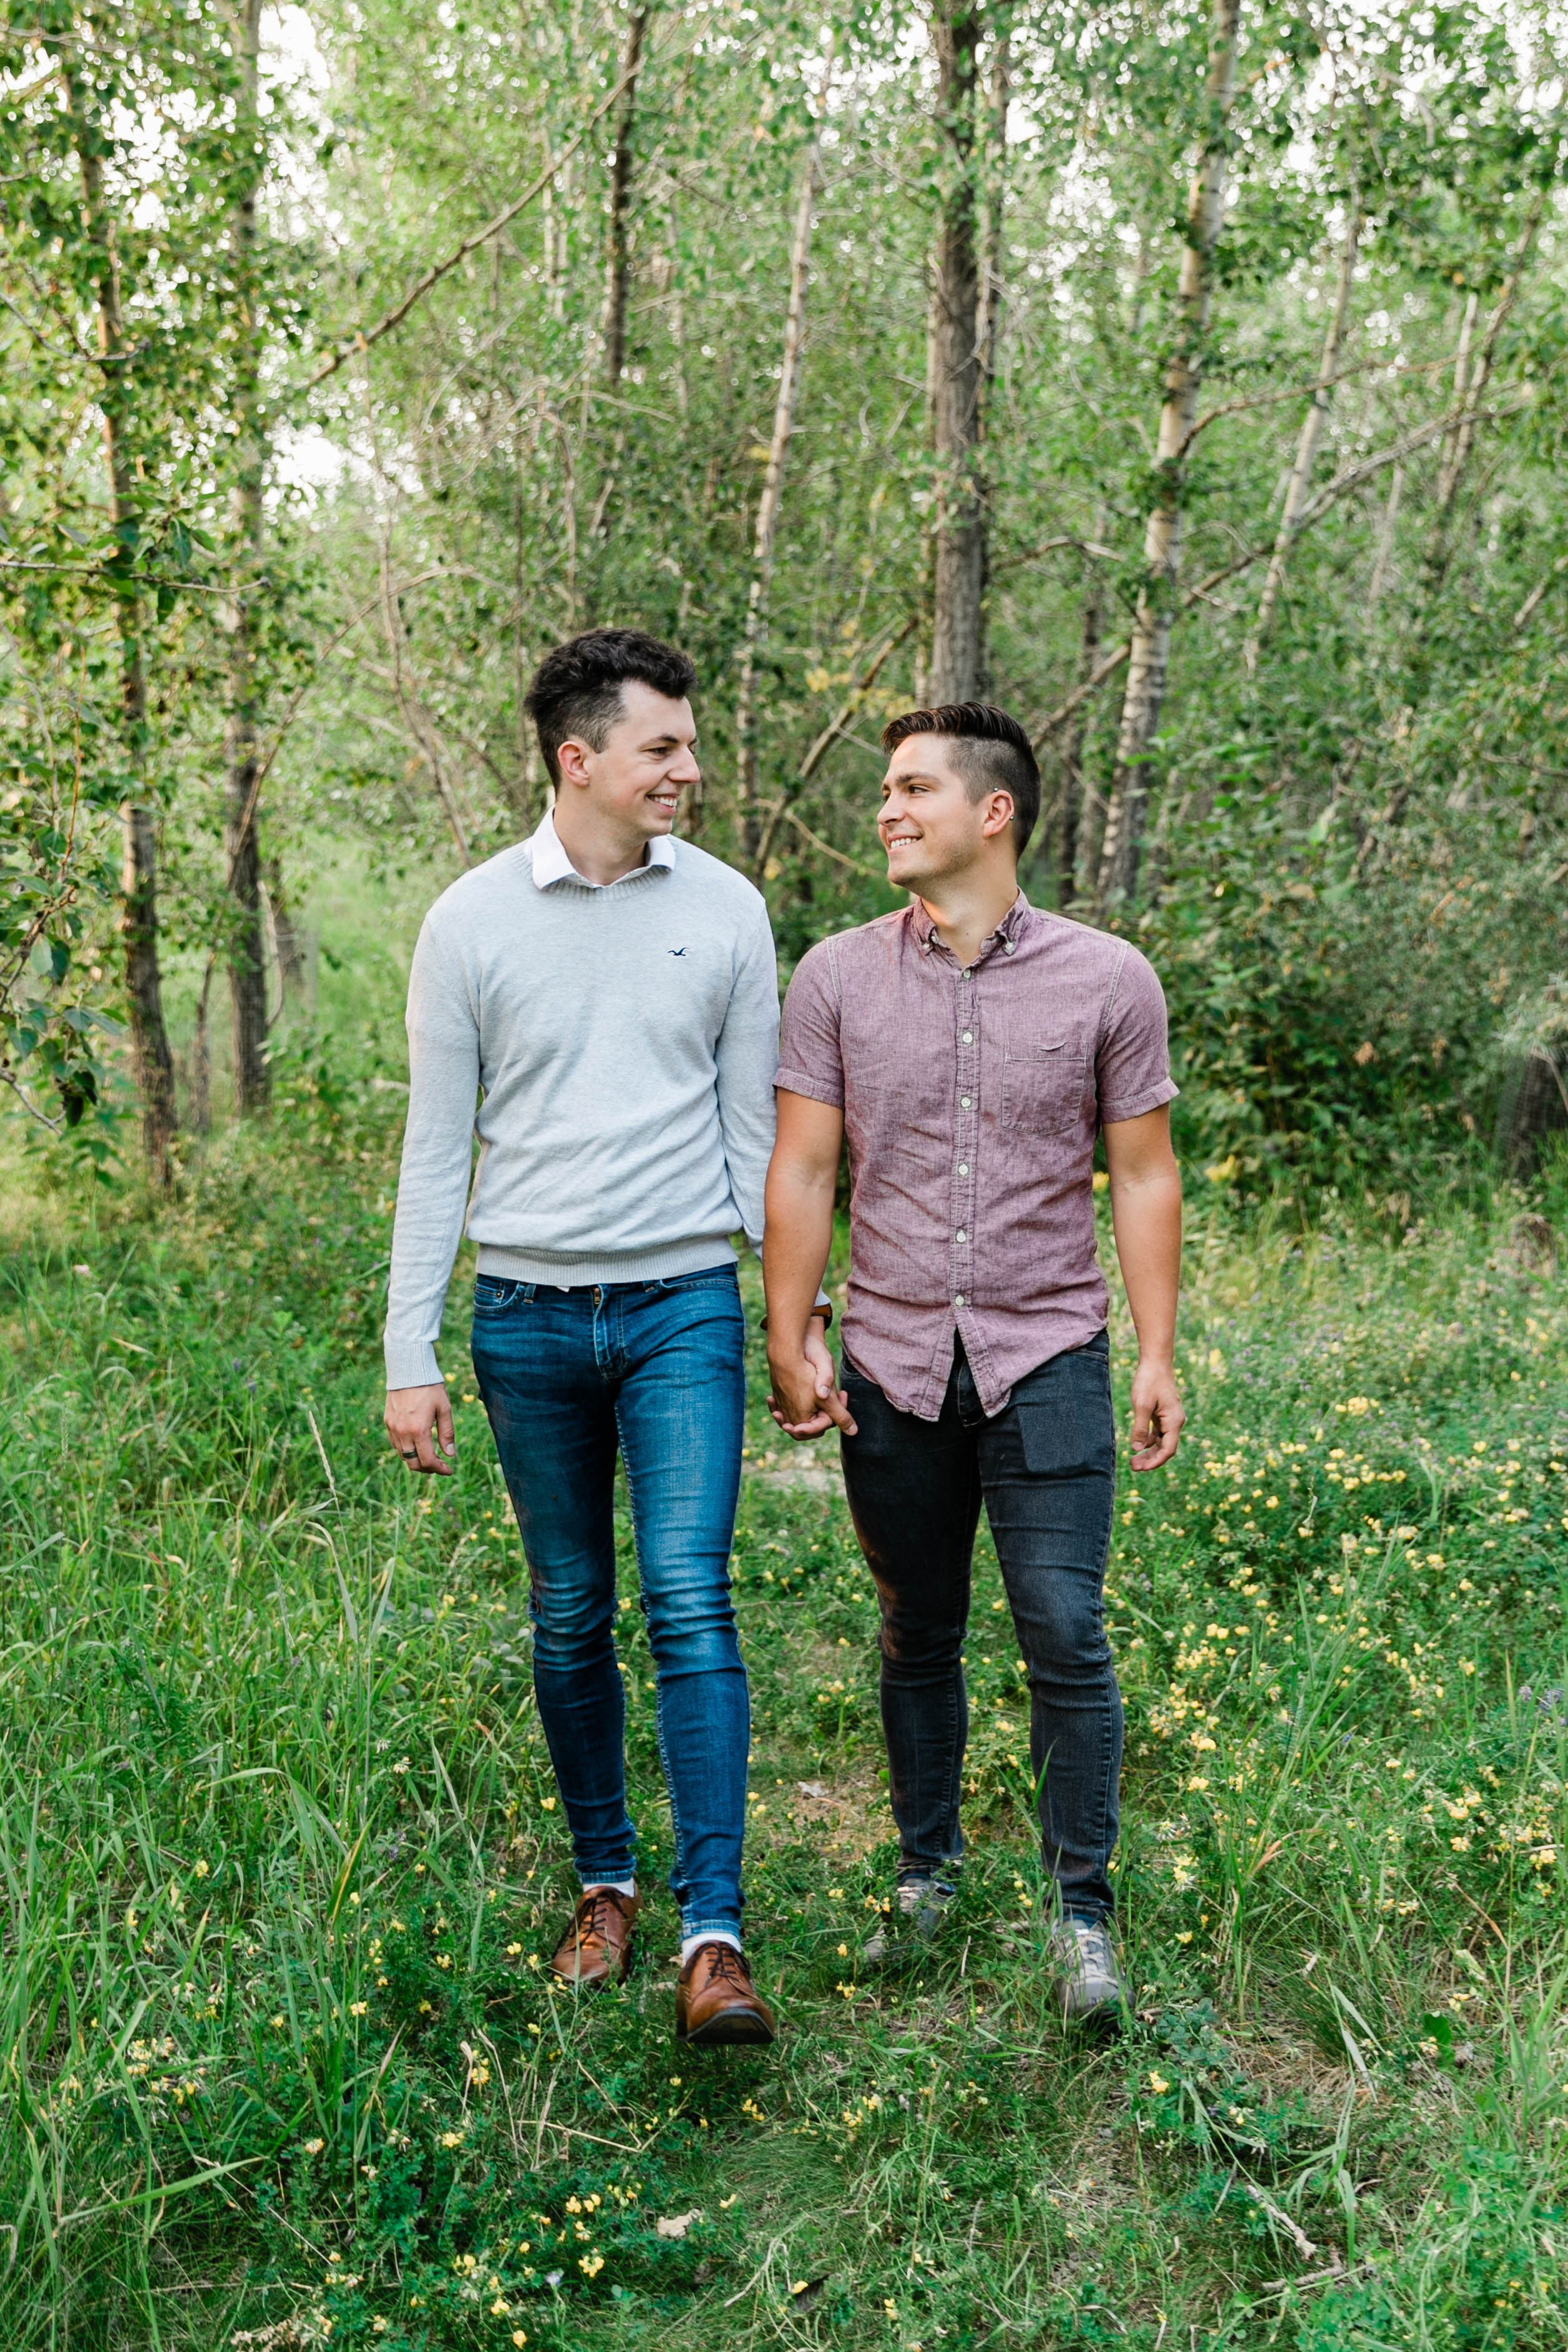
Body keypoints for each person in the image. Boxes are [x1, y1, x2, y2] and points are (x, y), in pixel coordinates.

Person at [383, 627, 824, 2046]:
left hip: (681, 1301)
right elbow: (435, 1149)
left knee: (688, 1596)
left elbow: (766, 1142)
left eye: (687, 745)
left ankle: (714, 1933)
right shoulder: (468, 924)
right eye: (664, 748)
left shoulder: (734, 911)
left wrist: (794, 1321)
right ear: (579, 761)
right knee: (570, 1611)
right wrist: (412, 1348)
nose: (690, 768)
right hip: (522, 1319)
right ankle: (606, 1883)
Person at [762, 701, 1184, 2024]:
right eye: (886, 792)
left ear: (993, 812)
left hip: (1050, 1346)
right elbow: (809, 1162)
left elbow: (1144, 1172)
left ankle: (1082, 1916)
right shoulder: (834, 974)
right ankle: (928, 1876)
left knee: (1065, 1627)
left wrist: (1160, 1349)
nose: (887, 810)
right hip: (890, 1356)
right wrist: (790, 1329)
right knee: (916, 1629)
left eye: (912, 790)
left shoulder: (1109, 977)